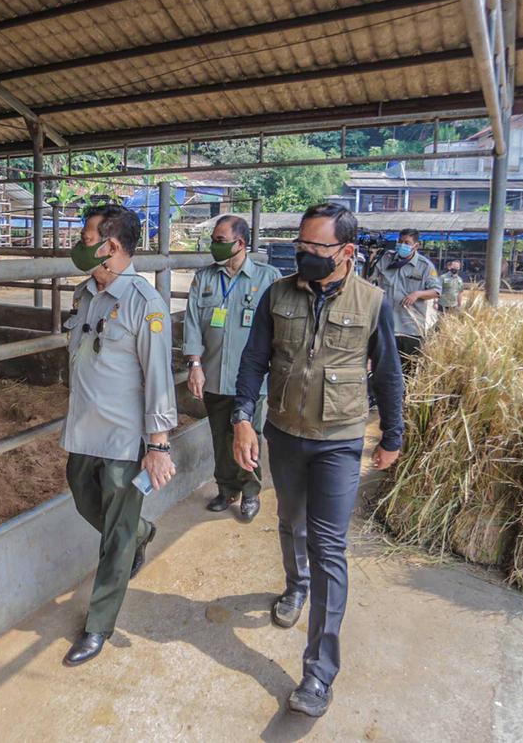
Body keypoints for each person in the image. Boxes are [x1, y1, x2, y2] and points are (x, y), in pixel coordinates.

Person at [233, 203, 404, 718]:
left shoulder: (373, 302)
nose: (302, 254)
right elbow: (254, 360)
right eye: (299, 244)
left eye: (314, 247)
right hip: (285, 433)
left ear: (346, 251)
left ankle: (318, 674)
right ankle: (295, 586)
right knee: (291, 521)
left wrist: (392, 435)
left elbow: (388, 374)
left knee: (329, 548)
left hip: (339, 440)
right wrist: (242, 417)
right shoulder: (277, 294)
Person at [59, 203, 178, 667]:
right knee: (83, 498)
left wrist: (158, 445)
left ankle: (98, 625)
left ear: (110, 246)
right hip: (83, 429)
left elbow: (158, 378)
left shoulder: (146, 304)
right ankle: (140, 533)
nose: (78, 244)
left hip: (125, 440)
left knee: (115, 536)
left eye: (85, 238)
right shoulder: (85, 294)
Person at [182, 215, 282, 521]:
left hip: (250, 380)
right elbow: (192, 324)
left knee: (249, 435)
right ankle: (226, 489)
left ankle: (250, 490)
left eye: (220, 241)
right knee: (220, 436)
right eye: (213, 240)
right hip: (212, 374)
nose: (214, 246)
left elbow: (279, 328)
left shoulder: (268, 277)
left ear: (240, 243)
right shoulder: (205, 278)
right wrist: (195, 364)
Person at [368, 228, 440, 374]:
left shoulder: (425, 266)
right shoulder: (386, 259)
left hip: (410, 329)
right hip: (386, 326)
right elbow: (369, 280)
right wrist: (372, 257)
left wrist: (418, 294)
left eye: (407, 243)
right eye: (400, 241)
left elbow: (436, 291)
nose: (402, 245)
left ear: (416, 245)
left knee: (407, 372)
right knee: (382, 371)